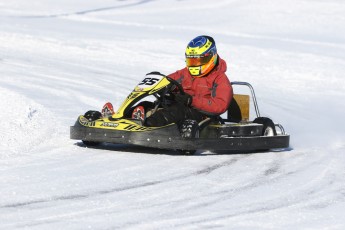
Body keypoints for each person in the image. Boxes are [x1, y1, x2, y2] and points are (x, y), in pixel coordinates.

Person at [143, 35, 233, 127]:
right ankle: (132, 119)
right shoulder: (185, 73)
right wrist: (160, 83)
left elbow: (219, 105)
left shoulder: (220, 79)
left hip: (203, 116)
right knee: (145, 105)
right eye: (192, 61)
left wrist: (191, 101)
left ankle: (149, 126)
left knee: (177, 111)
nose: (194, 65)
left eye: (199, 60)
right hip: (179, 108)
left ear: (211, 56)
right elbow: (169, 80)